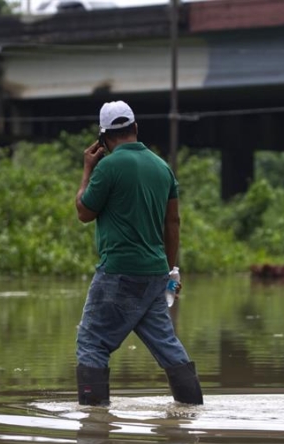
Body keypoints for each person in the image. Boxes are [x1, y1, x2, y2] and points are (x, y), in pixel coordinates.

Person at [73, 100, 203, 406]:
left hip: (117, 272)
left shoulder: (107, 166)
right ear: (135, 129)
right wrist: (168, 271)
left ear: (103, 138)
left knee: (92, 342)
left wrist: (87, 169)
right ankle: (192, 411)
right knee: (167, 345)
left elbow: (83, 212)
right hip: (155, 273)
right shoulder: (163, 168)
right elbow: (173, 223)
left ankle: (94, 427)